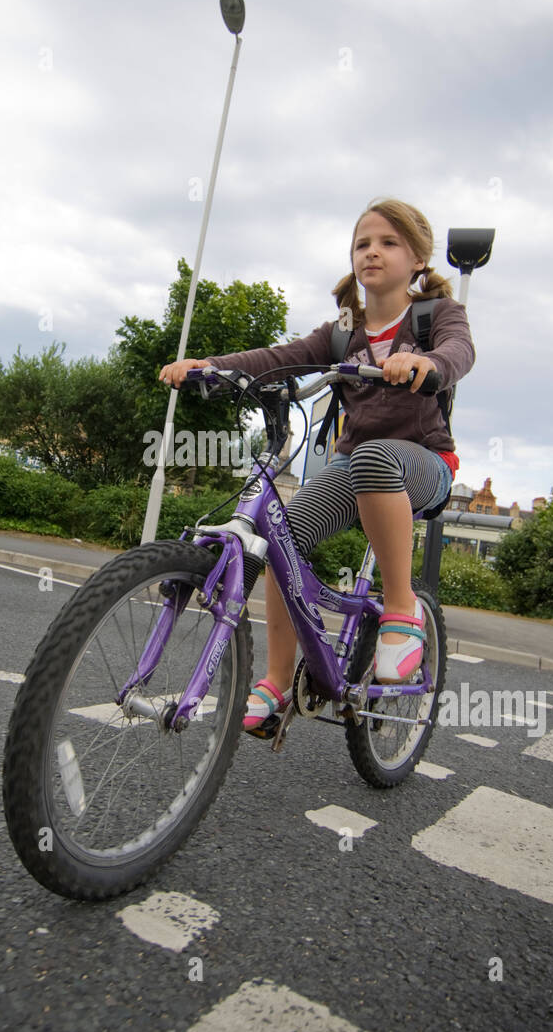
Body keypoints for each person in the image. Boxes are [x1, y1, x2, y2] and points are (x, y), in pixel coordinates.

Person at [159, 198, 475, 738]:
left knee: (375, 455)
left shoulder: (434, 318)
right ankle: (277, 681)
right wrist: (211, 367)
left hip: (423, 464)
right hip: (354, 468)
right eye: (362, 243)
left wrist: (428, 364)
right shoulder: (341, 332)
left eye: (389, 243)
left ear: (419, 260)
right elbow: (278, 358)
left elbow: (458, 352)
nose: (372, 252)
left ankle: (403, 612)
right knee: (281, 534)